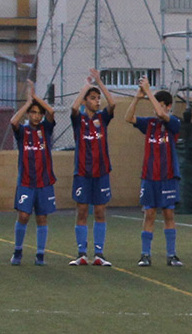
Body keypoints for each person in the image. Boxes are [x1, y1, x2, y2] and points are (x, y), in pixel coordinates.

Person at [124, 76, 183, 268]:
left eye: (158, 103)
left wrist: (149, 92)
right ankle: (145, 254)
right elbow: (128, 117)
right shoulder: (149, 124)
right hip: (149, 176)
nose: (154, 107)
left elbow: (163, 115)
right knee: (149, 214)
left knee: (168, 214)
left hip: (168, 176)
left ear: (167, 106)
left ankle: (171, 255)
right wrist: (137, 97)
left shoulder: (173, 122)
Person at [69, 68, 117, 267]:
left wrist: (99, 82)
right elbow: (73, 108)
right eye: (93, 98)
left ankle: (99, 253)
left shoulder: (102, 119)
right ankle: (81, 254)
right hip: (82, 173)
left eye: (98, 98)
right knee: (81, 211)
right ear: (86, 101)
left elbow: (112, 104)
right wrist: (86, 85)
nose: (98, 101)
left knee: (99, 212)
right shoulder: (79, 120)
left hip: (101, 172)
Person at [10, 81, 56, 266]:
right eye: (33, 112)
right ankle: (18, 251)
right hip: (26, 181)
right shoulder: (23, 131)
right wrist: (28, 103)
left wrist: (36, 98)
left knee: (42, 217)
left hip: (44, 182)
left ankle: (40, 254)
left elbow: (52, 113)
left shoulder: (46, 129)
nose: (36, 116)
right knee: (23, 216)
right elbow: (14, 121)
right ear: (29, 114)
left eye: (39, 113)